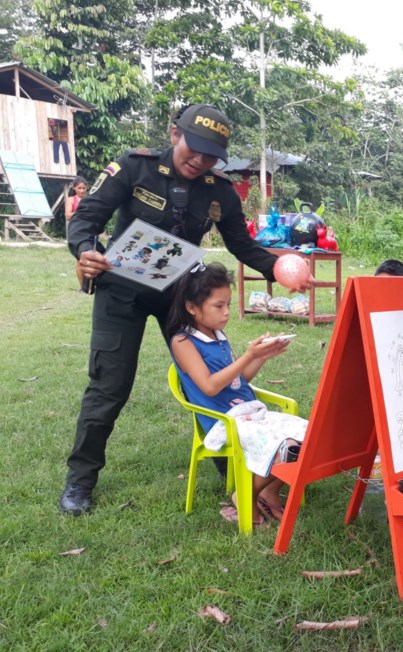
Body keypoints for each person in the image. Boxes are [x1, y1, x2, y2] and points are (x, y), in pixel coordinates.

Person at [60, 103, 309, 516]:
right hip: (121, 291)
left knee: (213, 376)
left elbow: (241, 245)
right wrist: (86, 251)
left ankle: (228, 464)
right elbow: (87, 216)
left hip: (180, 297)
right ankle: (80, 481)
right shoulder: (134, 168)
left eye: (210, 155)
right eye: (193, 149)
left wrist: (280, 269)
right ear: (174, 134)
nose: (199, 160)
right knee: (109, 387)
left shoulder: (219, 189)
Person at [167, 263, 306, 526]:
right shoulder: (183, 342)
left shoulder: (218, 335)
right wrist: (248, 356)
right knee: (288, 448)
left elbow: (238, 381)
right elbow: (209, 387)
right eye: (218, 306)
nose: (227, 312)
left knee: (307, 436)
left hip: (249, 412)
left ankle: (268, 490)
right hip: (224, 421)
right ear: (192, 307)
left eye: (229, 304)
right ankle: (244, 495)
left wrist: (262, 356)